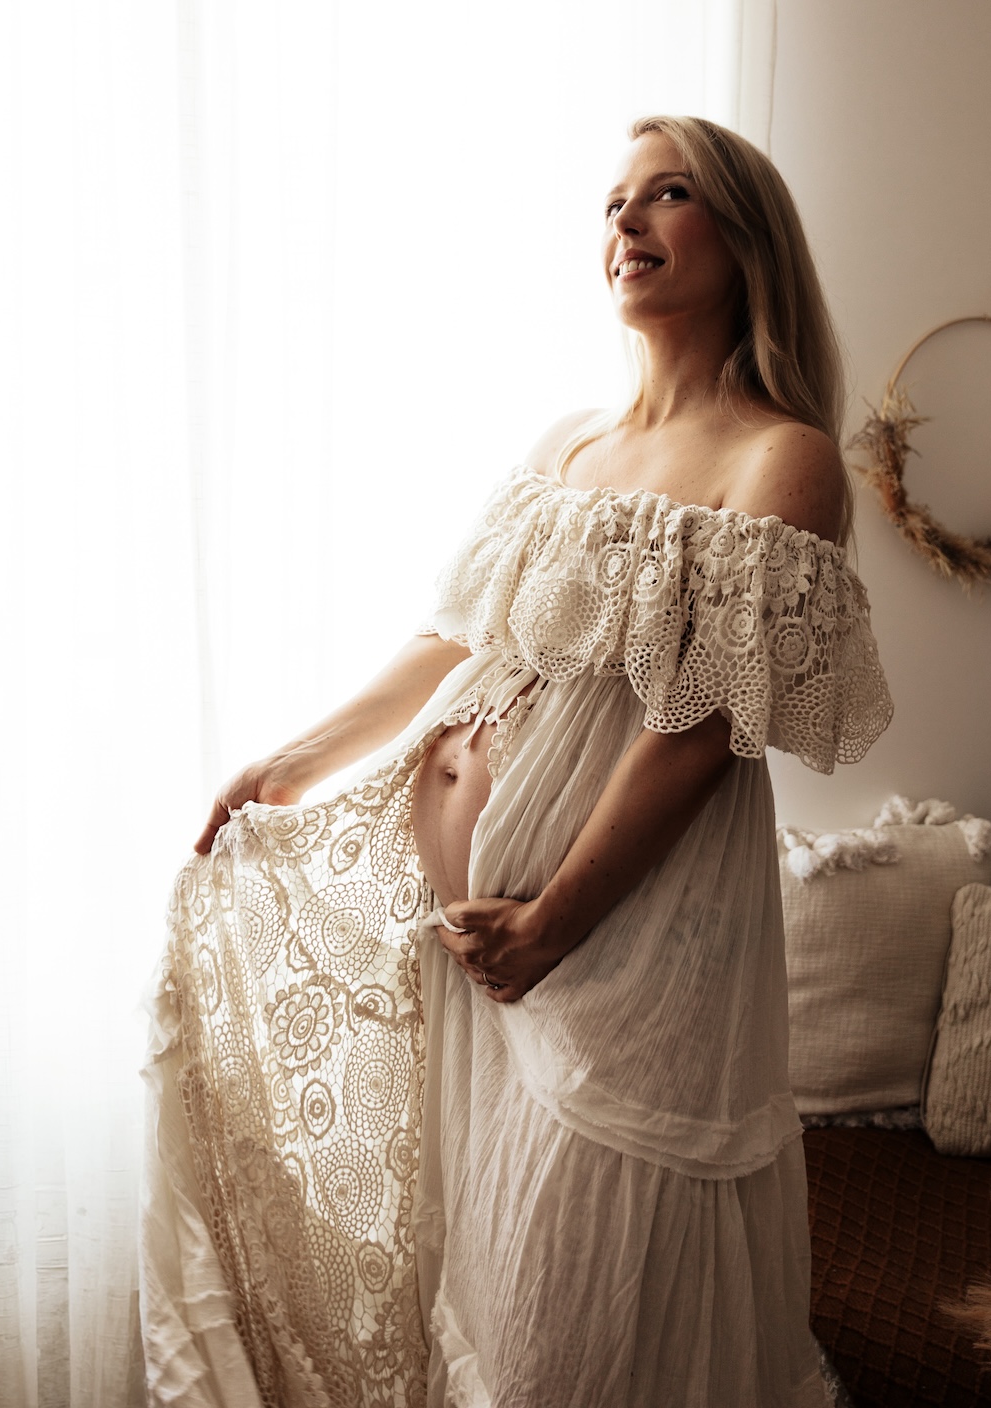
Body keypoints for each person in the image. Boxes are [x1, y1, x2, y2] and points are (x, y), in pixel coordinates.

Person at [140, 115, 893, 1407]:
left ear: (748, 239)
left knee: (576, 1318)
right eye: (613, 202)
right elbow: (455, 636)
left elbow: (698, 732)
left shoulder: (783, 457)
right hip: (488, 959)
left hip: (616, 953)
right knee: (485, 1286)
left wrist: (555, 920)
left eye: (668, 195)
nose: (626, 222)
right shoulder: (569, 445)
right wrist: (294, 760)